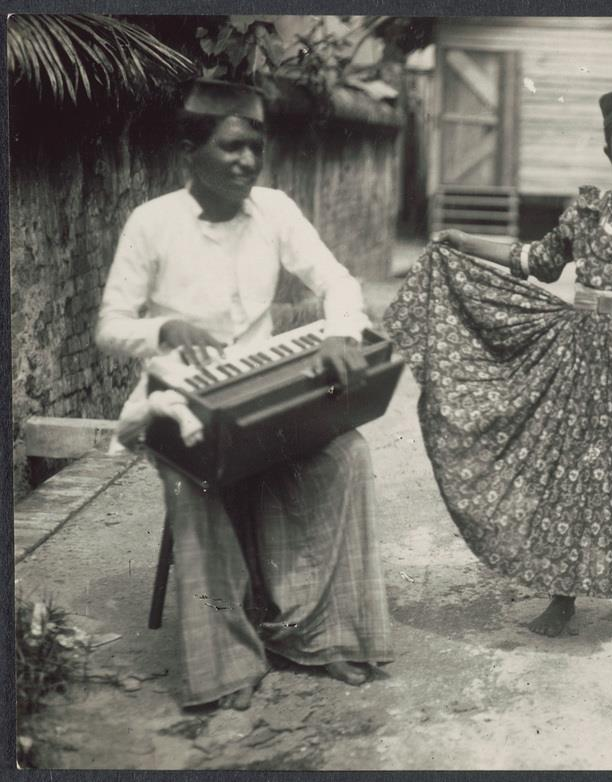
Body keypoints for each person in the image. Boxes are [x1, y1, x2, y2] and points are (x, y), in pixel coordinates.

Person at [383, 84, 612, 649]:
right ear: (609, 156)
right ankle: (562, 595)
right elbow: (538, 261)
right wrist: (464, 241)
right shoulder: (587, 213)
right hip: (579, 352)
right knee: (569, 471)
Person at [97, 79, 392, 710]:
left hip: (262, 396)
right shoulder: (151, 223)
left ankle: (315, 633)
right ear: (189, 150)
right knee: (192, 482)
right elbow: (111, 327)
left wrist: (341, 331)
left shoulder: (276, 210)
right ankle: (228, 662)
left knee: (347, 455)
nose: (248, 162)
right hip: (182, 403)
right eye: (231, 147)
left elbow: (337, 280)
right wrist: (163, 330)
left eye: (255, 148)